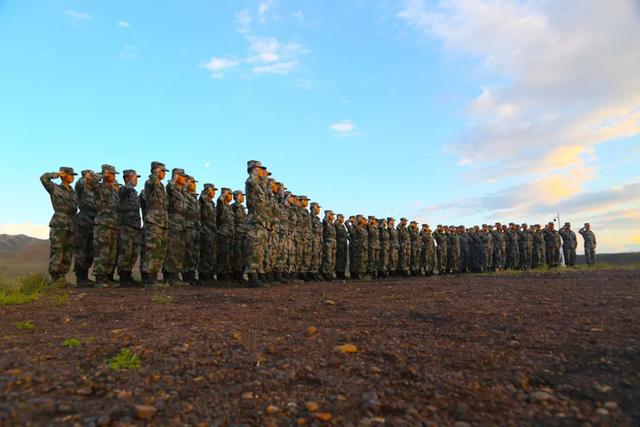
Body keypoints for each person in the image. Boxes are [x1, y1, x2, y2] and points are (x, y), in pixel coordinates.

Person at [41, 167, 78, 286]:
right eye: (70, 174)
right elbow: (43, 178)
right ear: (63, 175)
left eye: (73, 175)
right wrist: (56, 174)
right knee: (58, 250)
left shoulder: (73, 192)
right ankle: (55, 279)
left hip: (72, 223)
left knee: (68, 252)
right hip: (59, 223)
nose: (72, 176)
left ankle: (62, 278)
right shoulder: (55, 188)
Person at [89, 164, 120, 288]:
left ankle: (107, 277)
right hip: (103, 223)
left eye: (113, 174)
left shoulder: (113, 190)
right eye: (111, 173)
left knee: (112, 253)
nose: (113, 176)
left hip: (113, 224)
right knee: (102, 251)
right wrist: (102, 174)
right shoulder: (99, 187)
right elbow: (91, 181)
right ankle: (99, 278)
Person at [140, 161, 169, 288]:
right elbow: (152, 182)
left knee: (159, 250)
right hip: (153, 221)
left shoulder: (161, 186)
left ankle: (154, 276)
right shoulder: (150, 182)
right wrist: (155, 174)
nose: (164, 174)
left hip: (161, 221)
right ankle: (149, 279)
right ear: (157, 170)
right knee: (152, 249)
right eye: (162, 171)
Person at [244, 160, 269, 288]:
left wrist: (264, 179)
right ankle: (252, 276)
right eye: (260, 169)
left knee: (259, 250)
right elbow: (251, 181)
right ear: (254, 169)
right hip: (254, 219)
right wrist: (256, 175)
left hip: (260, 220)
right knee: (253, 248)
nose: (262, 172)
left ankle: (258, 274)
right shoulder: (251, 181)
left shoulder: (259, 185)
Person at [117, 169, 142, 287]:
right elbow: (123, 191)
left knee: (133, 252)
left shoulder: (134, 192)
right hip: (126, 225)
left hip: (135, 225)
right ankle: (123, 277)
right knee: (125, 251)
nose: (136, 180)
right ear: (127, 178)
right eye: (135, 177)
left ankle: (129, 275)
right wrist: (130, 183)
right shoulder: (123, 189)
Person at [164, 168, 189, 286]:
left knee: (179, 251)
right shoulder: (172, 188)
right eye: (183, 176)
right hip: (173, 222)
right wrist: (174, 178)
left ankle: (176, 275)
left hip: (181, 223)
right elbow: (169, 188)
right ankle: (171, 276)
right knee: (173, 250)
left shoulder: (181, 191)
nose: (185, 179)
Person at [73, 170, 96, 287]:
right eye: (90, 177)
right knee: (81, 250)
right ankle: (80, 278)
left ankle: (85, 277)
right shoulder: (81, 188)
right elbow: (80, 183)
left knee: (90, 250)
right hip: (83, 220)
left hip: (94, 220)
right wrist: (85, 177)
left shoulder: (94, 191)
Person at [198, 183, 218, 285]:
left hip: (212, 230)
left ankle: (209, 275)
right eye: (212, 190)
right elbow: (202, 198)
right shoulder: (204, 200)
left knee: (211, 253)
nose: (214, 192)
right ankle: (203, 275)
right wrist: (206, 190)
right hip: (205, 229)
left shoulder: (212, 203)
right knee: (205, 252)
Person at [182, 175, 200, 285]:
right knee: (187, 252)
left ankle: (191, 274)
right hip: (187, 226)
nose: (194, 184)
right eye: (192, 182)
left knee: (194, 253)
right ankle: (186, 275)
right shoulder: (184, 194)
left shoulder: (193, 197)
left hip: (195, 227)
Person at [216, 187, 235, 282]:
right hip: (223, 232)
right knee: (223, 255)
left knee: (229, 255)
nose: (231, 196)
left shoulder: (229, 207)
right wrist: (224, 193)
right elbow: (219, 200)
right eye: (229, 194)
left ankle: (227, 274)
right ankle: (221, 275)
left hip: (230, 233)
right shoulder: (221, 204)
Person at [321, 210, 337, 280]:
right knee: (328, 258)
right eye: (331, 215)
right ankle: (325, 273)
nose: (333, 217)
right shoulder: (326, 222)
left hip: (333, 242)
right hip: (328, 242)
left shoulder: (332, 224)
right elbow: (324, 221)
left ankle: (330, 272)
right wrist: (326, 215)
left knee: (333, 259)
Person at [335, 214, 349, 279]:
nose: (343, 219)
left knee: (344, 259)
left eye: (343, 217)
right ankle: (338, 273)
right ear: (338, 218)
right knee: (339, 259)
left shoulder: (343, 226)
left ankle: (342, 273)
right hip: (339, 244)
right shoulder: (336, 224)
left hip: (344, 244)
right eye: (342, 217)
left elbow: (345, 234)